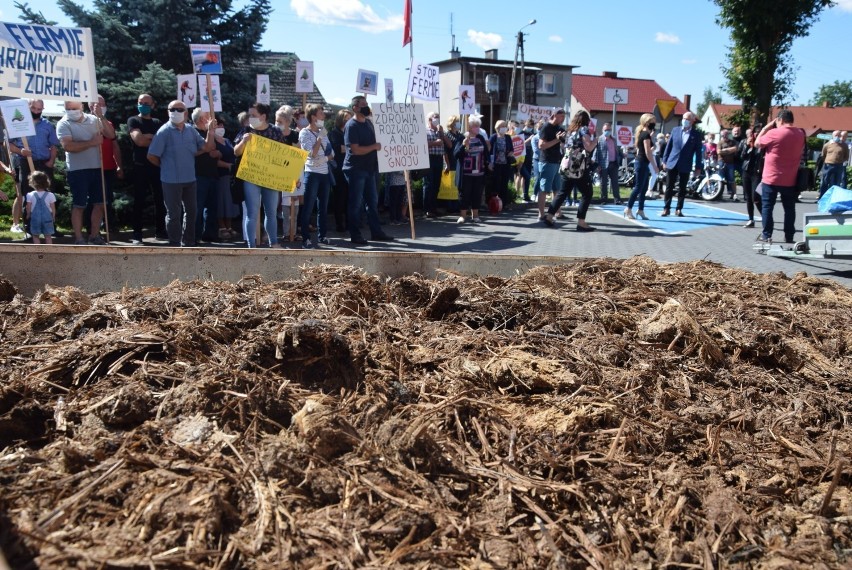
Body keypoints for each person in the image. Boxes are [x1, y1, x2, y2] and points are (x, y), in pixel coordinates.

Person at [147, 100, 216, 247]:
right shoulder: (163, 132)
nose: (176, 112)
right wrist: (165, 166)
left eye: (179, 109)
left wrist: (211, 130)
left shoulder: (191, 130)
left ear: (186, 113)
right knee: (173, 214)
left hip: (190, 179)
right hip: (170, 180)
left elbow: (207, 147)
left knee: (192, 212)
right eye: (172, 109)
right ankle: (174, 243)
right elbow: (151, 155)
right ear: (168, 112)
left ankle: (189, 242)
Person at [57, 99, 114, 245]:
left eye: (74, 108)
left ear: (81, 107)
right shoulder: (63, 123)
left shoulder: (94, 119)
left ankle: (94, 236)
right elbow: (68, 146)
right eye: (68, 108)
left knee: (100, 204)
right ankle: (79, 238)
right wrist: (92, 143)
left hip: (97, 168)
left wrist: (101, 116)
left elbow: (111, 134)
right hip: (77, 170)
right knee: (79, 205)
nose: (71, 111)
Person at [234, 102, 288, 248]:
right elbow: (236, 152)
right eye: (249, 115)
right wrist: (244, 141)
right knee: (252, 212)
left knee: (271, 212)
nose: (250, 118)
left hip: (270, 178)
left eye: (253, 115)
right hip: (251, 176)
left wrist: (290, 177)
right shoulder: (246, 131)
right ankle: (251, 246)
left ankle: (273, 243)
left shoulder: (275, 132)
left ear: (263, 116)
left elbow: (286, 156)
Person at [342, 96, 395, 244]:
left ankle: (376, 232)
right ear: (355, 108)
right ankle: (355, 234)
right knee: (355, 204)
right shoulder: (351, 126)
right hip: (355, 169)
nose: (366, 107)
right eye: (363, 105)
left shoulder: (368, 124)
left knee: (372, 202)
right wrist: (374, 147)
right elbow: (355, 150)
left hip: (370, 168)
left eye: (366, 104)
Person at [8, 99, 59, 234]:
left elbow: (53, 145)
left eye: (39, 109)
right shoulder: (18, 124)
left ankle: (51, 227)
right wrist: (21, 151)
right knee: (28, 196)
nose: (36, 112)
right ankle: (29, 228)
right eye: (34, 109)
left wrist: (51, 161)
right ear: (28, 107)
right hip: (26, 162)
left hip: (44, 163)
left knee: (49, 194)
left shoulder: (47, 124)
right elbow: (8, 145)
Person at [756, 110, 805, 244]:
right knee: (789, 209)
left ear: (780, 120)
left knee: (767, 207)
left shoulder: (774, 133)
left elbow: (757, 143)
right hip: (790, 178)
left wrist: (766, 127)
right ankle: (789, 236)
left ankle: (767, 235)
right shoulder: (800, 134)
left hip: (771, 177)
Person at [542, 110, 597, 231]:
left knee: (563, 192)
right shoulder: (584, 130)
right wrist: (596, 140)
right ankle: (581, 222)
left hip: (567, 165)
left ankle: (550, 216)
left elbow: (563, 145)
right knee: (587, 194)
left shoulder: (570, 131)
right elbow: (588, 147)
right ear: (586, 121)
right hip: (579, 166)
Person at [127, 93, 166, 243]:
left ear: (153, 105)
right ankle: (137, 234)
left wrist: (148, 136)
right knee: (139, 201)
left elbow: (162, 142)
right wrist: (152, 138)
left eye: (146, 103)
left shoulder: (157, 122)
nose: (143, 105)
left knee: (160, 199)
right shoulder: (133, 120)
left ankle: (161, 231)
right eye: (140, 102)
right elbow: (139, 141)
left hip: (157, 166)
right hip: (140, 166)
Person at [298, 104, 332, 248]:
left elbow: (332, 154)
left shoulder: (323, 132)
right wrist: (319, 139)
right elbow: (311, 154)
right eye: (320, 113)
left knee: (323, 207)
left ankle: (322, 236)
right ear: (313, 117)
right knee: (308, 207)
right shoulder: (304, 133)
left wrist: (323, 159)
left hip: (324, 174)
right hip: (312, 174)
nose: (323, 116)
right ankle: (305, 238)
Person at [662, 112, 704, 217]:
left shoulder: (696, 134)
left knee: (682, 188)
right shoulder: (675, 130)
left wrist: (698, 167)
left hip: (685, 164)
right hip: (672, 162)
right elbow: (669, 146)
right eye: (683, 118)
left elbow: (698, 152)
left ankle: (678, 209)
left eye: (687, 119)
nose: (684, 120)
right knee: (669, 187)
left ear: (692, 121)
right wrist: (664, 160)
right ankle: (666, 208)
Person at [191, 108, 221, 243]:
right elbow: (203, 148)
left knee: (212, 208)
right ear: (201, 119)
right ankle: (195, 236)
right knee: (198, 207)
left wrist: (217, 154)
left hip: (212, 174)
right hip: (198, 174)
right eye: (207, 117)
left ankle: (210, 235)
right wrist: (206, 149)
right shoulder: (192, 132)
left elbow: (217, 150)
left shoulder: (209, 133)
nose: (210, 119)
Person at [454, 116, 490, 223]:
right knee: (464, 194)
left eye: (478, 126)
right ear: (469, 127)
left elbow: (486, 153)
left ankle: (475, 215)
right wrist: (463, 145)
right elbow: (456, 154)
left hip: (479, 172)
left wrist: (488, 163)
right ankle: (463, 216)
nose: (477, 128)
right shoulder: (462, 138)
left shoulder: (481, 138)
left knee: (477, 194)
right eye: (475, 126)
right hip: (466, 173)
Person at [275, 105, 302, 242]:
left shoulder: (294, 135)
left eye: (280, 122)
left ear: (287, 122)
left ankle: (292, 233)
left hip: (291, 175)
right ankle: (283, 233)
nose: (277, 124)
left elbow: (299, 153)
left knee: (292, 205)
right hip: (276, 174)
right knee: (278, 205)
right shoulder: (273, 133)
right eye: (276, 121)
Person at [625, 114, 658, 220]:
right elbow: (648, 152)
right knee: (638, 187)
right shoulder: (645, 135)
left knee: (643, 189)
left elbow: (645, 150)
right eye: (653, 121)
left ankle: (640, 210)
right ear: (647, 123)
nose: (654, 123)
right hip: (642, 162)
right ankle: (628, 209)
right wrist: (654, 166)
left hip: (643, 163)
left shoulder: (645, 134)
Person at [537, 109, 567, 220]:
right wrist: (557, 140)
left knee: (556, 189)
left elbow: (563, 143)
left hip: (557, 161)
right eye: (560, 116)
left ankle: (557, 212)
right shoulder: (546, 127)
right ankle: (541, 214)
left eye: (564, 116)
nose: (562, 119)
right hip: (547, 161)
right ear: (554, 116)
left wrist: (564, 141)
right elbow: (541, 145)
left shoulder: (560, 128)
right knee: (544, 189)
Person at [213, 117, 238, 241]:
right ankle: (221, 226)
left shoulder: (227, 141)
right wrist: (228, 166)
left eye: (221, 125)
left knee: (230, 202)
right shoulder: (212, 142)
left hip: (231, 176)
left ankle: (229, 226)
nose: (220, 128)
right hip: (220, 175)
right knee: (221, 202)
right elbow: (214, 160)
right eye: (217, 125)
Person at [328, 109, 353, 232]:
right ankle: (339, 224)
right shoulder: (334, 133)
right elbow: (338, 148)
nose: (349, 120)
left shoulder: (352, 131)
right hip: (338, 169)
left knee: (350, 197)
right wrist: (353, 148)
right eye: (346, 118)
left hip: (351, 168)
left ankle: (350, 223)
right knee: (339, 198)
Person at [423, 111, 449, 218]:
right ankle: (427, 209)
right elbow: (422, 144)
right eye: (435, 117)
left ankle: (434, 208)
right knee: (429, 184)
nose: (437, 119)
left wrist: (442, 133)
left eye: (438, 117)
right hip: (429, 158)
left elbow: (447, 146)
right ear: (429, 120)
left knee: (436, 185)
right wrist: (435, 143)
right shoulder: (425, 131)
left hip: (438, 159)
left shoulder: (440, 132)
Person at [594, 122, 624, 205]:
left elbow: (618, 150)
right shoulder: (599, 139)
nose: (607, 131)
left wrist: (622, 154)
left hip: (613, 163)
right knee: (603, 183)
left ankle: (617, 199)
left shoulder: (614, 139)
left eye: (609, 129)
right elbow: (596, 153)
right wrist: (597, 165)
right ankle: (604, 199)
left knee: (615, 182)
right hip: (603, 164)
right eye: (606, 130)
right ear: (602, 130)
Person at [489, 120, 515, 210]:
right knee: (495, 183)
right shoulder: (493, 137)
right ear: (497, 128)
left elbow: (511, 148)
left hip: (505, 163)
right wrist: (490, 163)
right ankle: (493, 203)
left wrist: (511, 152)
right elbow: (489, 150)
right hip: (496, 164)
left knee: (504, 184)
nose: (504, 128)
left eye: (505, 126)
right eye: (502, 126)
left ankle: (504, 204)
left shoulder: (508, 137)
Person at [25, 171, 56, 244]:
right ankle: (49, 250)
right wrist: (53, 216)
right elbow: (53, 208)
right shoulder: (50, 195)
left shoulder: (30, 195)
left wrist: (28, 214)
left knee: (35, 235)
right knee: (48, 236)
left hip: (35, 218)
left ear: (32, 182)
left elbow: (28, 207)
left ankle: (37, 250)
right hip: (47, 218)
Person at [738, 128, 760, 228]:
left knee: (755, 196)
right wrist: (747, 146)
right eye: (750, 133)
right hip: (746, 171)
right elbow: (741, 156)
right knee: (748, 198)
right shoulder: (744, 142)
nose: (753, 135)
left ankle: (765, 217)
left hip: (757, 173)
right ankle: (751, 219)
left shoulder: (760, 143)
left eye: (754, 133)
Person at [818, 130, 849, 197]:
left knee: (836, 183)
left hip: (839, 166)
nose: (837, 137)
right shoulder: (827, 145)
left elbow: (846, 156)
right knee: (825, 182)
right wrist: (828, 160)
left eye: (839, 135)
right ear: (832, 136)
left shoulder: (844, 145)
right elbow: (823, 155)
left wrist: (840, 161)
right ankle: (822, 196)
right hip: (828, 165)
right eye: (836, 135)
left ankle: (833, 198)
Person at [718, 129, 739, 201]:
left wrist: (725, 150)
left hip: (730, 163)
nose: (725, 136)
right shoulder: (720, 143)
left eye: (726, 134)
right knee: (721, 179)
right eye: (723, 135)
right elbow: (719, 152)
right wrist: (730, 151)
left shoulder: (732, 142)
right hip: (721, 162)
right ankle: (719, 194)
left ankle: (734, 194)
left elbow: (736, 148)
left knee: (731, 179)